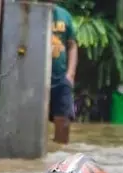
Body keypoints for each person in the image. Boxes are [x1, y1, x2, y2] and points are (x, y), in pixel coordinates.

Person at [50, 4, 78, 145]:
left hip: (61, 78)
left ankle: (60, 159)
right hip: (35, 79)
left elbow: (72, 45)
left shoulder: (64, 15)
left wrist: (70, 74)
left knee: (63, 123)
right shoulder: (30, 11)